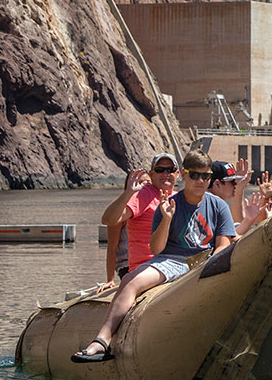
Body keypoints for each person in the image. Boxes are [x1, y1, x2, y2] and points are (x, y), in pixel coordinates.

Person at [74, 151, 236, 362]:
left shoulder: (218, 206)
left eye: (205, 177)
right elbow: (158, 250)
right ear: (185, 175)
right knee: (130, 281)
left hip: (204, 259)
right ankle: (102, 340)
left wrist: (209, 268)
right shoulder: (166, 203)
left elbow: (223, 245)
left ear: (177, 174)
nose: (200, 181)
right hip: (172, 261)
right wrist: (166, 219)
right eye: (195, 175)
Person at [98, 151, 180, 285]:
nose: (166, 174)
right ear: (152, 174)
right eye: (160, 170)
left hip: (173, 264)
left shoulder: (179, 198)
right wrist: (129, 192)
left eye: (170, 170)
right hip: (146, 267)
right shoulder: (143, 195)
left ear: (178, 174)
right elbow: (108, 220)